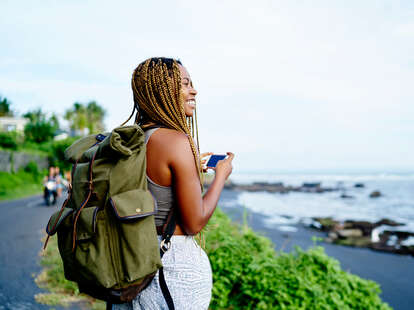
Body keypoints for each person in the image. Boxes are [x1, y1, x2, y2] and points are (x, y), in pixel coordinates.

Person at [113, 57, 234, 309]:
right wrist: (220, 176)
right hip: (172, 268)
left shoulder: (135, 139)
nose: (194, 90)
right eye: (185, 84)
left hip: (133, 262)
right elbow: (194, 223)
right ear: (162, 91)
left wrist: (190, 170)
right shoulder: (176, 141)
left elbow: (153, 184)